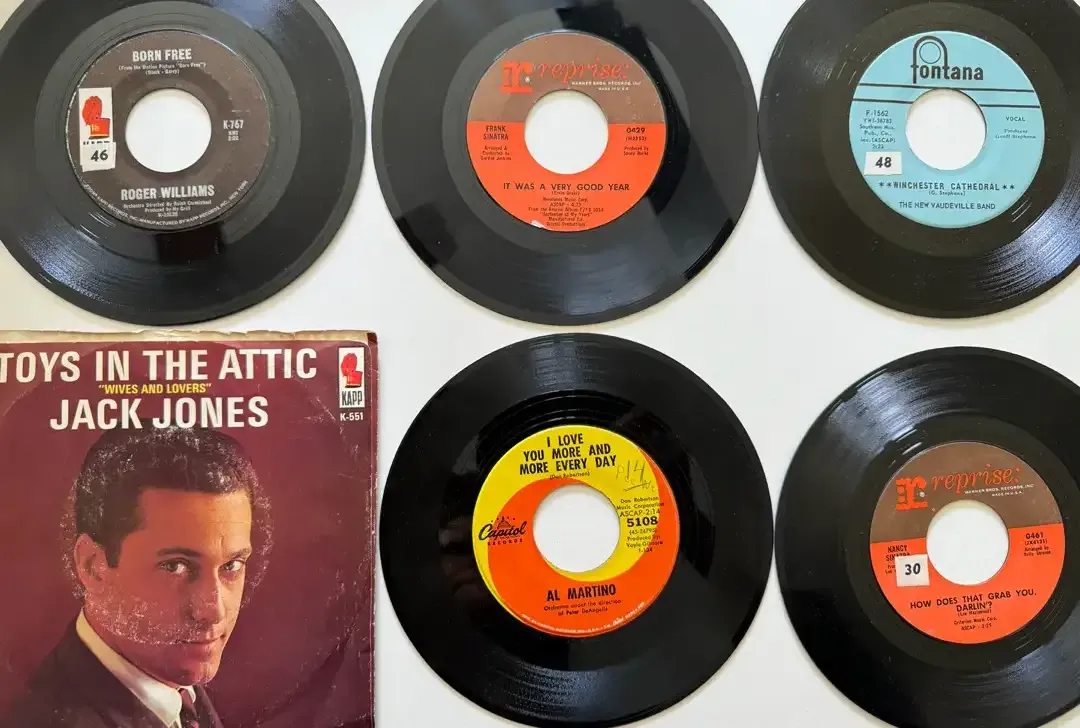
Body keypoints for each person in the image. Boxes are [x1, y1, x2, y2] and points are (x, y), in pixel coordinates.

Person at [1, 427, 267, 728]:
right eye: (175, 566)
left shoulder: (175, 689)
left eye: (232, 565)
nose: (212, 611)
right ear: (93, 566)